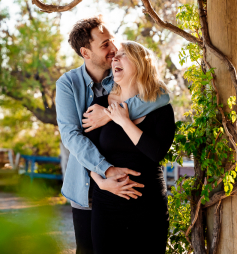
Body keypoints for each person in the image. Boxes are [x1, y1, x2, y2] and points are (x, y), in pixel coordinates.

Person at [55, 16, 170, 254]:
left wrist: (110, 115)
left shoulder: (118, 78)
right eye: (105, 44)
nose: (113, 48)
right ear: (86, 53)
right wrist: (104, 174)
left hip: (139, 198)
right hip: (87, 186)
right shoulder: (68, 84)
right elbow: (73, 137)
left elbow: (159, 98)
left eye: (113, 41)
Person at [88, 41, 174, 254]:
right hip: (106, 206)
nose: (114, 58)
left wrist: (124, 121)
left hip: (149, 208)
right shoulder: (99, 105)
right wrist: (101, 182)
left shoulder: (161, 108)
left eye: (123, 55)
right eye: (115, 55)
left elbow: (157, 153)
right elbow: (85, 152)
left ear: (141, 64)